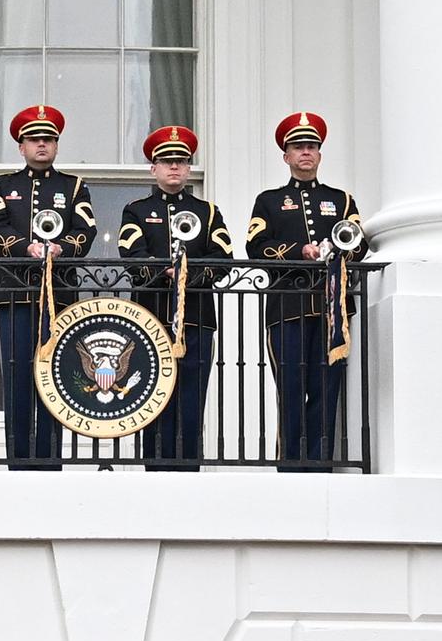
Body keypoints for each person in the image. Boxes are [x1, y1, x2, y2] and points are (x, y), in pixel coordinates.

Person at [246, 113, 367, 470]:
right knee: (292, 389)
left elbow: (359, 244)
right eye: (298, 147)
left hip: (332, 312)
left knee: (327, 390)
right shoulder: (268, 201)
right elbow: (256, 246)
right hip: (287, 309)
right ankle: (292, 464)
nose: (306, 153)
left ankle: (320, 464)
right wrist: (300, 250)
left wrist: (338, 250)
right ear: (286, 156)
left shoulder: (341, 200)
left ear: (319, 154)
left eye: (312, 147)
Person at [0, 105, 96, 470]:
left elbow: (87, 229)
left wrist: (63, 247)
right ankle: (18, 463)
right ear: (21, 146)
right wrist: (23, 247)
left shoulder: (73, 186)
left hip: (59, 298)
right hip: (14, 295)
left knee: (54, 378)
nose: (41, 144)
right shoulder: (2, 185)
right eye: (34, 139)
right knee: (15, 378)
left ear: (56, 146)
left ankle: (49, 462)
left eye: (48, 139)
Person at [118, 126, 233, 469]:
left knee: (192, 396)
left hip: (197, 317)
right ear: (153, 168)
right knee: (152, 396)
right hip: (151, 320)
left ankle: (188, 468)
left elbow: (223, 256)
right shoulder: (136, 210)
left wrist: (188, 274)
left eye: (181, 161)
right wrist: (163, 271)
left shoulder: (208, 211)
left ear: (188, 168)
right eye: (166, 161)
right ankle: (154, 467)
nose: (174, 167)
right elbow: (131, 253)